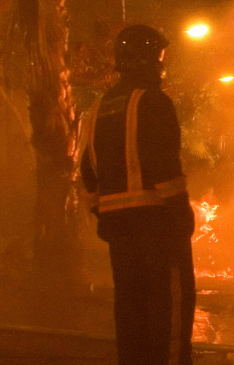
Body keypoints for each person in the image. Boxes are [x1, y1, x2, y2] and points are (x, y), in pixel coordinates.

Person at [79, 24, 196, 365]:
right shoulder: (153, 102)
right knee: (169, 311)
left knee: (130, 310)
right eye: (159, 60)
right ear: (148, 61)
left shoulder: (99, 107)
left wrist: (103, 213)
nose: (161, 67)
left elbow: (88, 170)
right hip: (157, 226)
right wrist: (182, 215)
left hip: (119, 232)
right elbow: (164, 167)